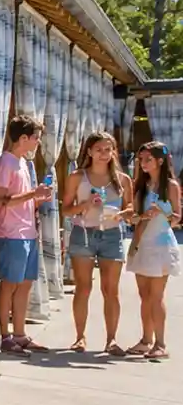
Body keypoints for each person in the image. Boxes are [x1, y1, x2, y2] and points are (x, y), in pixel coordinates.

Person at [62, 132, 133, 354]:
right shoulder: (77, 177)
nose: (104, 154)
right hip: (83, 232)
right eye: (99, 149)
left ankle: (111, 340)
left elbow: (131, 210)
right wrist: (84, 205)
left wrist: (121, 213)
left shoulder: (123, 180)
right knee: (83, 288)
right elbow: (65, 209)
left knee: (110, 290)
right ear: (90, 151)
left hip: (112, 234)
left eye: (108, 149)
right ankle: (79, 337)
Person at [0, 114, 55, 353]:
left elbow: (21, 200)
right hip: (10, 233)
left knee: (25, 284)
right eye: (36, 138)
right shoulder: (5, 163)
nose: (38, 142)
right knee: (9, 283)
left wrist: (37, 197)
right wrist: (32, 194)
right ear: (24, 138)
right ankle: (5, 335)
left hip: (28, 231)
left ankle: (19, 333)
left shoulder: (23, 164)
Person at [125, 141, 181, 360]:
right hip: (141, 243)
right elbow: (134, 216)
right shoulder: (140, 185)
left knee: (156, 296)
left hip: (161, 245)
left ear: (160, 160)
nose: (143, 163)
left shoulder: (171, 186)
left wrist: (164, 213)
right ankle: (145, 340)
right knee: (144, 295)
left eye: (148, 159)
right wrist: (139, 216)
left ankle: (160, 343)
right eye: (141, 159)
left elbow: (177, 218)